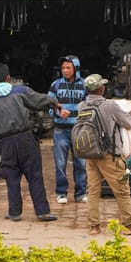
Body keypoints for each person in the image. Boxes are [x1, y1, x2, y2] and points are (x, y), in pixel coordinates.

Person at [0, 63, 59, 222]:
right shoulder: (20, 91)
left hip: (5, 142)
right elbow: (39, 100)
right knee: (35, 175)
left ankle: (14, 212)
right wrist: (54, 102)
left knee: (11, 178)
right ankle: (42, 211)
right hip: (25, 138)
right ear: (8, 78)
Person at [79, 74, 131, 236]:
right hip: (109, 155)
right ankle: (128, 225)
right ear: (101, 89)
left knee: (92, 190)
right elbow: (129, 123)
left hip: (91, 154)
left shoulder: (82, 106)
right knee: (121, 190)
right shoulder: (110, 106)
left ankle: (94, 226)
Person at [48, 55, 88, 204]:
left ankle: (80, 193)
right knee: (60, 163)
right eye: (63, 68)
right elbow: (48, 105)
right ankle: (61, 193)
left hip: (79, 129)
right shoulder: (55, 85)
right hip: (60, 130)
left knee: (81, 164)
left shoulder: (84, 86)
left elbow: (90, 107)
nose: (65, 70)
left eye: (68, 68)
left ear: (76, 69)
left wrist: (78, 114)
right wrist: (58, 112)